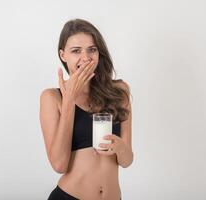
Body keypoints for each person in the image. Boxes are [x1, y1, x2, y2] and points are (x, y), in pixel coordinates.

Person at [39, 18, 133, 200]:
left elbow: (127, 160)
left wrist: (120, 147)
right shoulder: (52, 98)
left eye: (92, 49)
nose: (86, 57)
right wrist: (69, 100)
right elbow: (59, 165)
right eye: (76, 51)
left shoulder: (120, 91)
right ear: (63, 55)